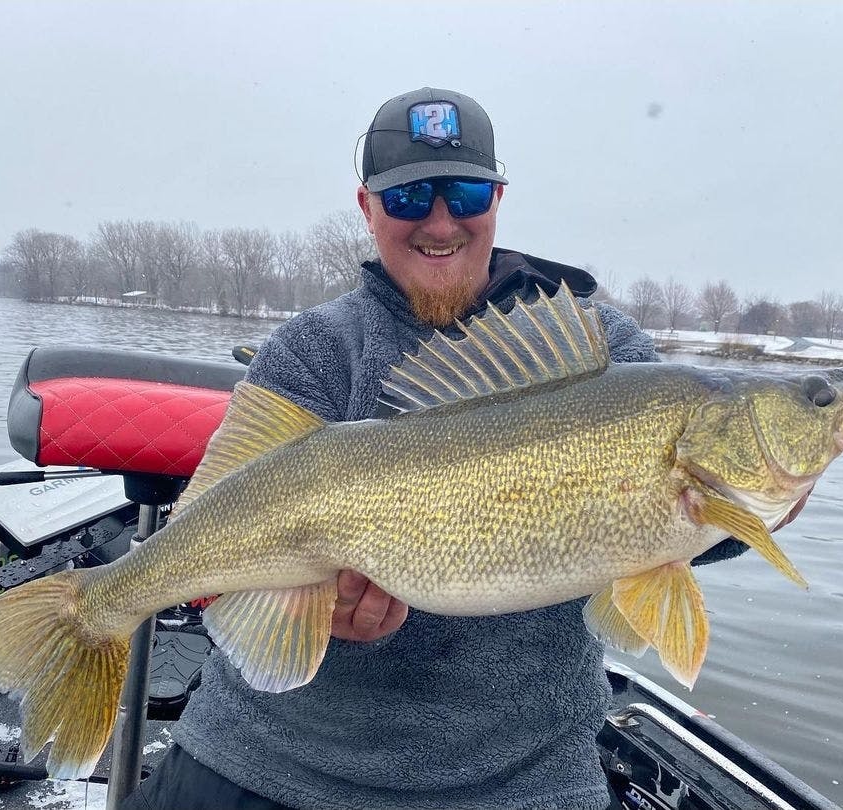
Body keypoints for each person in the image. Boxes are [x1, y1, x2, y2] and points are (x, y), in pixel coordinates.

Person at [122, 87, 803, 810]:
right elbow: (212, 557)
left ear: (498, 199)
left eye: (466, 193)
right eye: (411, 198)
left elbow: (707, 540)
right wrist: (310, 610)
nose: (441, 222)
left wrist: (769, 504)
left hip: (521, 781)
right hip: (267, 758)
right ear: (367, 208)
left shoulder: (607, 352)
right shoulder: (313, 350)